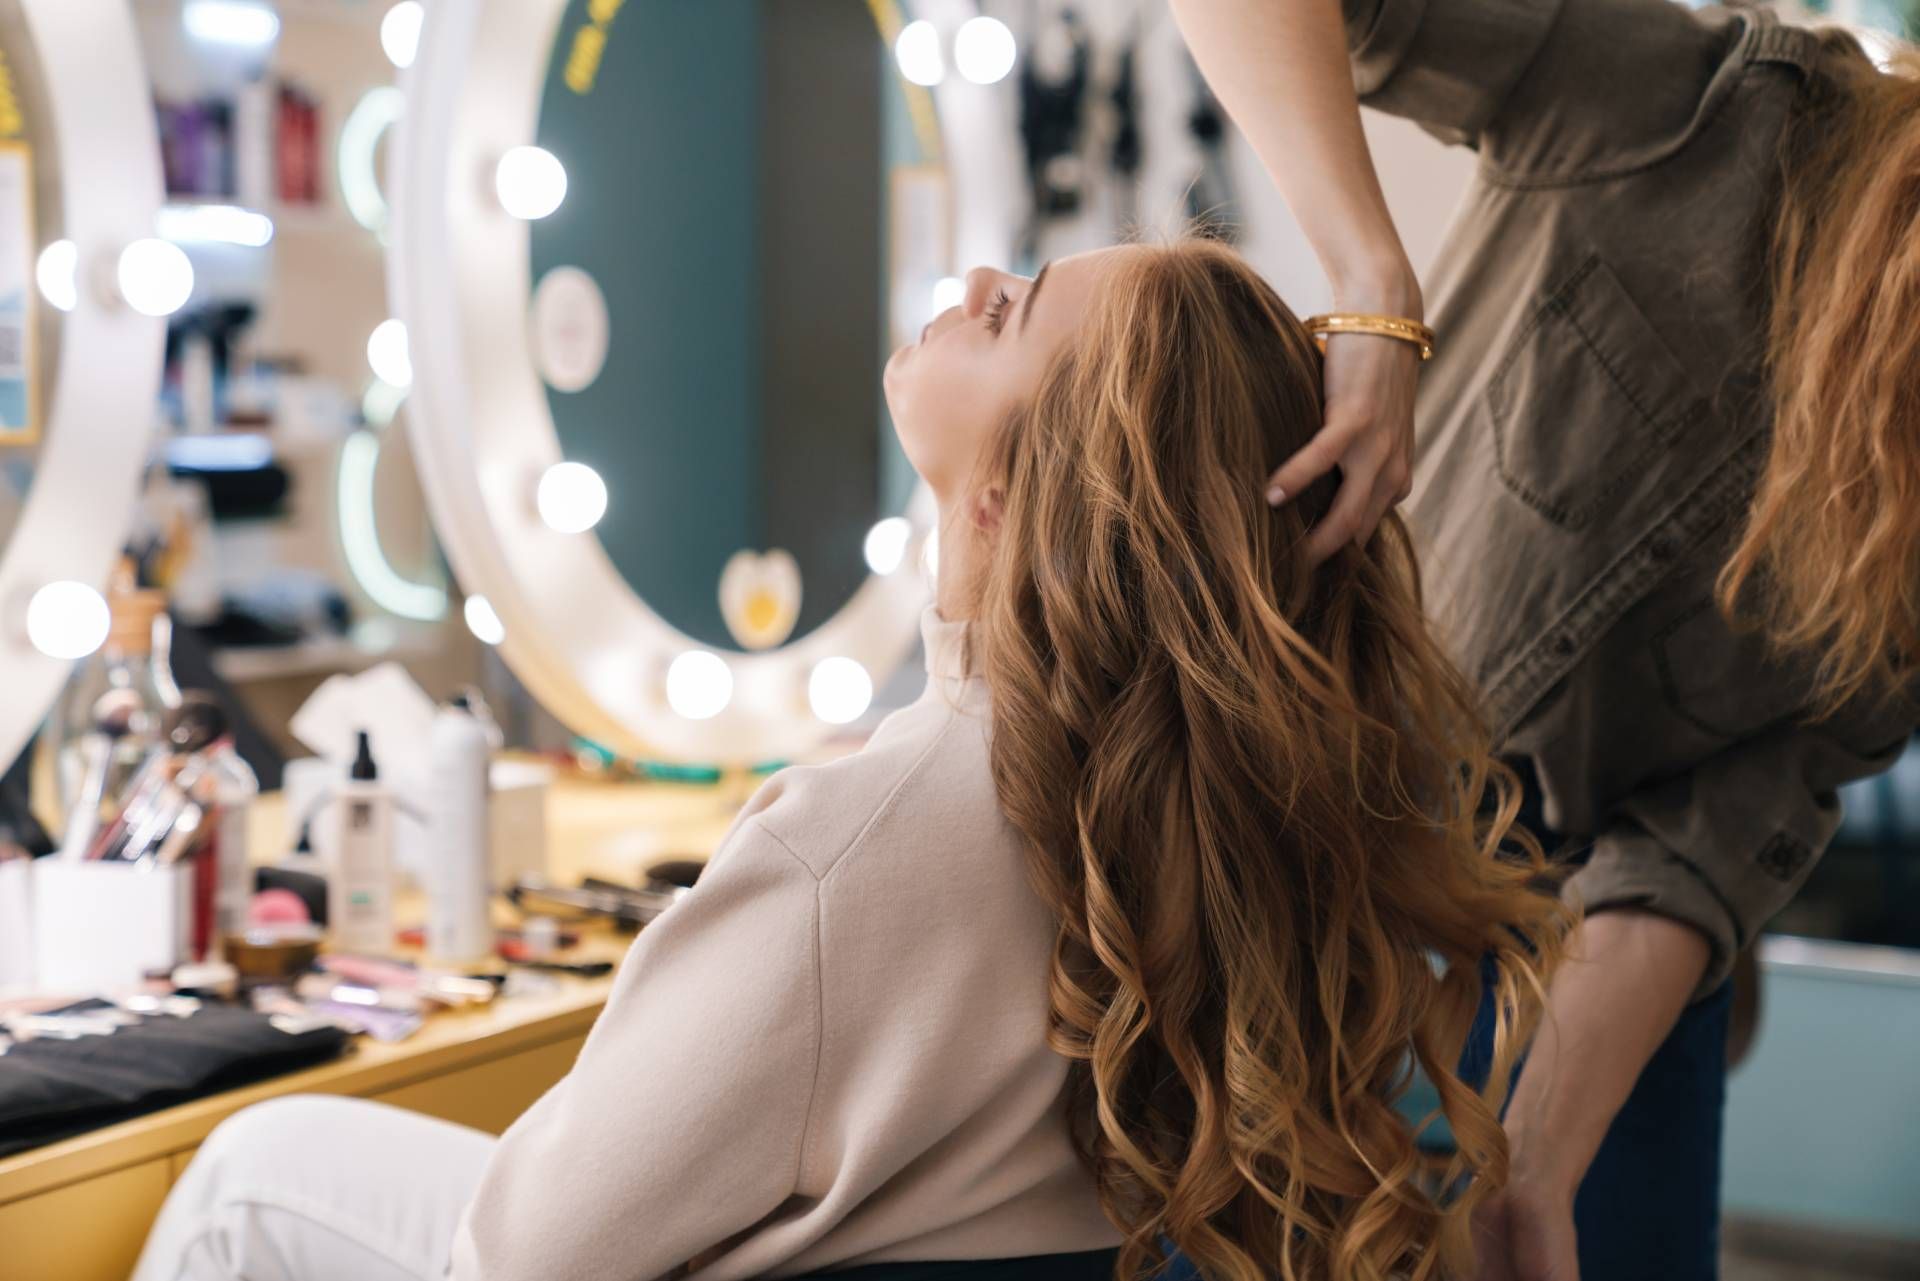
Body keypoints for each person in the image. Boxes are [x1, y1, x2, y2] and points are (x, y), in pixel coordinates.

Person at [132, 239, 1567, 1281]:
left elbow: (517, 1259)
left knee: (251, 1178)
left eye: (1023, 316)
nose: (986, 276)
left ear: (1024, 491)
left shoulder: (863, 841)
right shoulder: (1179, 799)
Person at [1169, 0, 1920, 1276]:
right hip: (1299, 842)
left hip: (1586, 973)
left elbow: (1697, 854)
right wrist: (1371, 291)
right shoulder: (1710, 116)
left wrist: (1534, 1166)